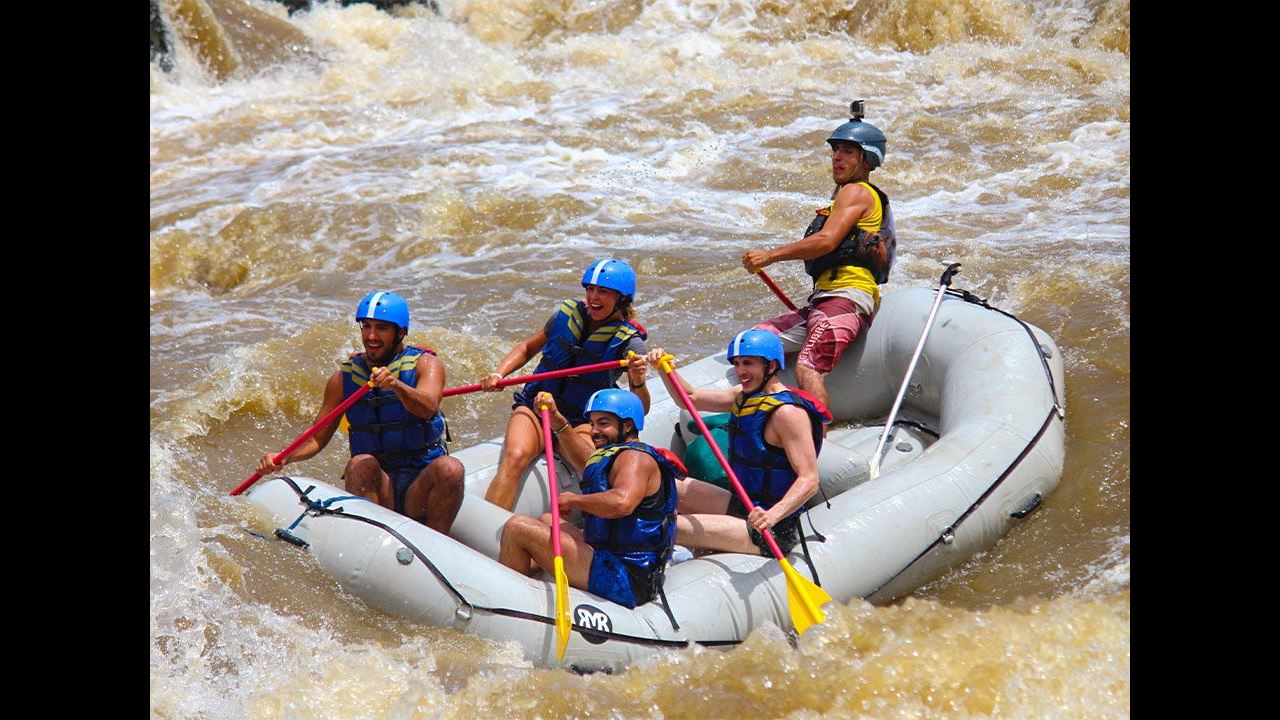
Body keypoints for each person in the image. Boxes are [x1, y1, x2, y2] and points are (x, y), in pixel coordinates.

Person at [256, 291, 464, 533]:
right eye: (366, 327)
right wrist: (284, 457)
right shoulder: (344, 378)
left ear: (401, 332)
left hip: (420, 483)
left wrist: (396, 386)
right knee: (359, 464)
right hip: (378, 483)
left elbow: (427, 407)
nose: (371, 336)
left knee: (451, 468)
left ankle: (437, 545)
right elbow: (316, 438)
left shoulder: (426, 364)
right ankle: (371, 539)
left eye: (382, 328)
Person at [741, 100, 897, 412]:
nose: (837, 158)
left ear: (868, 160)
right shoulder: (842, 197)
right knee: (756, 342)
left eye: (848, 152)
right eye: (835, 150)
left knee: (807, 367)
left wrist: (769, 256)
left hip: (847, 297)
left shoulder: (856, 192)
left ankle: (814, 443)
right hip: (825, 298)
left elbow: (826, 241)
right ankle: (763, 417)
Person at [480, 258, 650, 511]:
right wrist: (499, 373)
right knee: (514, 457)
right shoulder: (564, 317)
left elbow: (642, 408)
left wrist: (637, 379)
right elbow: (527, 348)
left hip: (580, 420)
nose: (593, 298)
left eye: (602, 292)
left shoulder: (630, 342)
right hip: (536, 407)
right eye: (589, 290)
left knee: (590, 467)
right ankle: (489, 527)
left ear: (622, 299)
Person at [647, 330, 830, 557]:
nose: (741, 371)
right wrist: (665, 369)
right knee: (663, 485)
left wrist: (772, 515)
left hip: (772, 528)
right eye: (737, 363)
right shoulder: (743, 396)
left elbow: (809, 479)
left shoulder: (788, 414)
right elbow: (689, 398)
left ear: (771, 366)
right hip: (743, 504)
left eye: (749, 363)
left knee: (673, 525)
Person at [497, 389, 682, 609]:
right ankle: (532, 573)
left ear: (628, 426)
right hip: (611, 557)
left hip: (627, 577)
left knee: (517, 528)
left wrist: (574, 501)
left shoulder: (635, 459)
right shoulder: (616, 454)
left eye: (603, 423)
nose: (594, 431)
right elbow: (583, 462)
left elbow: (623, 502)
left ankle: (507, 601)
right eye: (592, 424)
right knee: (547, 519)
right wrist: (558, 421)